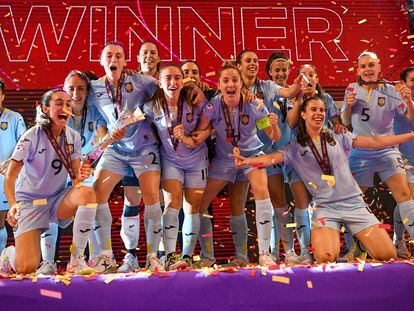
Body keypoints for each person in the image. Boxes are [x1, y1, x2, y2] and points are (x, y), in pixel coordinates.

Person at [234, 97, 414, 263]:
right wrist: (247, 161)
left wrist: (410, 136)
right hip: (326, 208)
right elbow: (271, 159)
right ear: (303, 114)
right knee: (325, 257)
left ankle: (360, 245)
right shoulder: (295, 148)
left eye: (321, 110)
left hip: (355, 204)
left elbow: (375, 141)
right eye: (313, 109)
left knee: (387, 254)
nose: (318, 113)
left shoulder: (340, 136)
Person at [0, 89, 97, 275]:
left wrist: (81, 175)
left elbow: (75, 179)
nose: (65, 108)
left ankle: (77, 259)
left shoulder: (73, 137)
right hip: (29, 203)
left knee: (87, 193)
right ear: (45, 109)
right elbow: (10, 175)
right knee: (26, 268)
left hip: (55, 200)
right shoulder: (31, 136)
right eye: (59, 103)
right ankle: (8, 254)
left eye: (68, 104)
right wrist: (12, 205)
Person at [194, 62, 282, 267]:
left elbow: (273, 136)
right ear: (219, 85)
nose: (230, 84)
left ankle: (262, 253)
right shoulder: (212, 106)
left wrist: (275, 126)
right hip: (224, 161)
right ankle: (207, 257)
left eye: (235, 80)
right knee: (200, 204)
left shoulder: (255, 105)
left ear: (241, 84)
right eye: (226, 80)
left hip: (251, 156)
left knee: (261, 191)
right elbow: (201, 132)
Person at [341, 51, 414, 262]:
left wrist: (408, 101)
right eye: (363, 66)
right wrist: (348, 105)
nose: (367, 69)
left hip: (386, 151)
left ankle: (404, 243)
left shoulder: (391, 91)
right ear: (358, 70)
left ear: (379, 67)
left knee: (404, 196)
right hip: (359, 152)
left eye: (371, 65)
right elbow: (345, 120)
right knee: (351, 200)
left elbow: (411, 117)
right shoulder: (351, 89)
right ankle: (353, 250)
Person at [37, 71, 108, 275]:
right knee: (48, 210)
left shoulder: (94, 111)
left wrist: (96, 154)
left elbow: (103, 140)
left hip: (84, 170)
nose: (76, 93)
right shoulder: (55, 114)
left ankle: (93, 259)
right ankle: (48, 261)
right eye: (71, 89)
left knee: (91, 202)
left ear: (88, 91)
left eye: (81, 88)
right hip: (58, 172)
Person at [143, 64, 209, 270]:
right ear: (160, 82)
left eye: (177, 78)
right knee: (172, 204)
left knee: (193, 208)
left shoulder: (195, 99)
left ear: (183, 81)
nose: (173, 83)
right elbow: (142, 128)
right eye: (168, 78)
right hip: (171, 160)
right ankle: (171, 255)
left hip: (197, 159)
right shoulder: (151, 106)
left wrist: (189, 139)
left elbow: (207, 128)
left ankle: (187, 256)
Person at [0, 78, 26, 254]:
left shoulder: (14, 118)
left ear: (2, 96)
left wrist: (12, 161)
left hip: (6, 179)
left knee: (2, 220)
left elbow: (25, 146)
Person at [393, 66, 414, 258]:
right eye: (412, 80)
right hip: (404, 160)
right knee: (408, 199)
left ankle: (398, 240)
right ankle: (400, 240)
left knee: (405, 201)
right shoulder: (399, 100)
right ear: (404, 83)